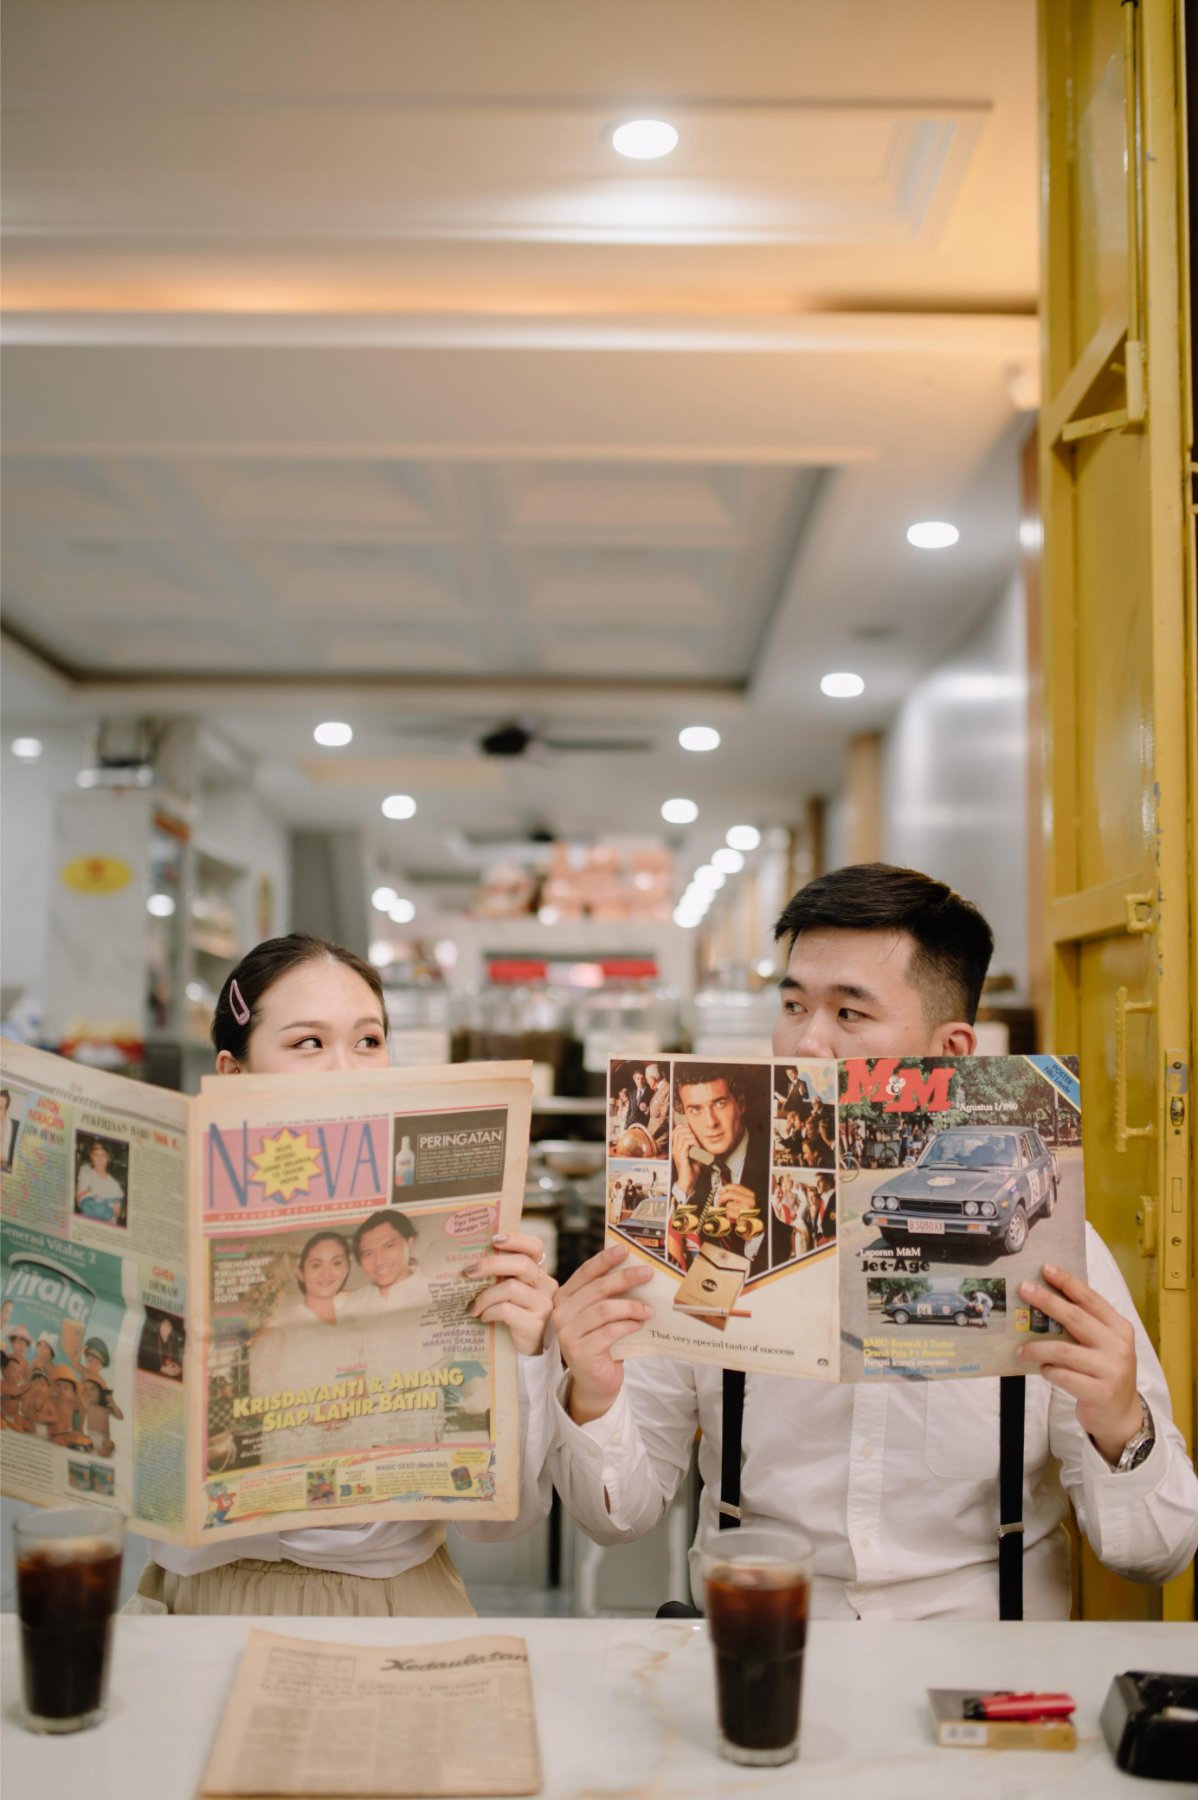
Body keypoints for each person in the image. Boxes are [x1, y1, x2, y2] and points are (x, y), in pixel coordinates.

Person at [547, 863, 1198, 1620]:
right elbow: (618, 1515)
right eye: (794, 1005)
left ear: (951, 1052)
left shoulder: (1055, 1256)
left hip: (984, 1653)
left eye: (849, 1013)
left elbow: (1157, 1554)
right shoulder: (711, 1226)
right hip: (760, 1634)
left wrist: (1120, 1424)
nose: (807, 1043)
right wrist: (593, 1395)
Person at [132, 932, 555, 1618]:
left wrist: (527, 1353)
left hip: (393, 1599)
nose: (346, 1068)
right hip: (198, 1603)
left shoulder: (452, 1234)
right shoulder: (162, 1221)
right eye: (308, 1042)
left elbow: (498, 1525)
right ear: (233, 1072)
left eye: (368, 1040)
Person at [665, 1068, 776, 1269]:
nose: (710, 1123)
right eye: (695, 1109)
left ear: (740, 1103)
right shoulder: (681, 1170)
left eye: (720, 1104)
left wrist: (757, 1233)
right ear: (683, 1118)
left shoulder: (773, 1161)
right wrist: (684, 1188)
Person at [75, 1139, 126, 1226]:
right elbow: (85, 1204)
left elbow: (118, 1211)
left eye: (103, 1155)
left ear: (109, 1157)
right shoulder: (86, 1173)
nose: (100, 1159)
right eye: (96, 1155)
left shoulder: (115, 1185)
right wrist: (109, 1207)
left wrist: (118, 1211)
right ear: (91, 1156)